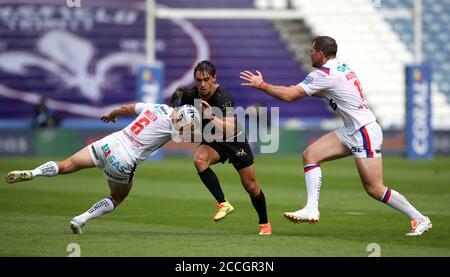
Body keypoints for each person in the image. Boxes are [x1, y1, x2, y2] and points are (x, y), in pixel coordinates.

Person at [240, 36, 431, 236]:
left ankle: (419, 218)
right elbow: (331, 92)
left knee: (374, 188)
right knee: (310, 154)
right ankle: (311, 208)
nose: (309, 53)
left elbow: (289, 97)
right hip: (353, 129)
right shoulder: (342, 67)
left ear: (321, 53)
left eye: (312, 50)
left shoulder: (322, 74)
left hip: (363, 131)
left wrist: (262, 85)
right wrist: (303, 91)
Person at [5, 101, 200, 234]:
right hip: (124, 159)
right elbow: (187, 135)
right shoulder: (175, 126)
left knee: (65, 165)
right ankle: (80, 219)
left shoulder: (156, 106)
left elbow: (126, 108)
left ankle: (33, 172)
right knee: (117, 197)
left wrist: (112, 114)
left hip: (109, 142)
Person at [171, 60, 271, 235]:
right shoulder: (191, 95)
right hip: (213, 140)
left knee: (251, 186)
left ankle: (265, 224)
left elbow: (231, 127)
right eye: (198, 80)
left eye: (206, 79)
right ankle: (223, 203)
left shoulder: (223, 97)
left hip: (234, 141)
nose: (202, 84)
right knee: (199, 159)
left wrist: (211, 117)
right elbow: (179, 111)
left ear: (214, 78)